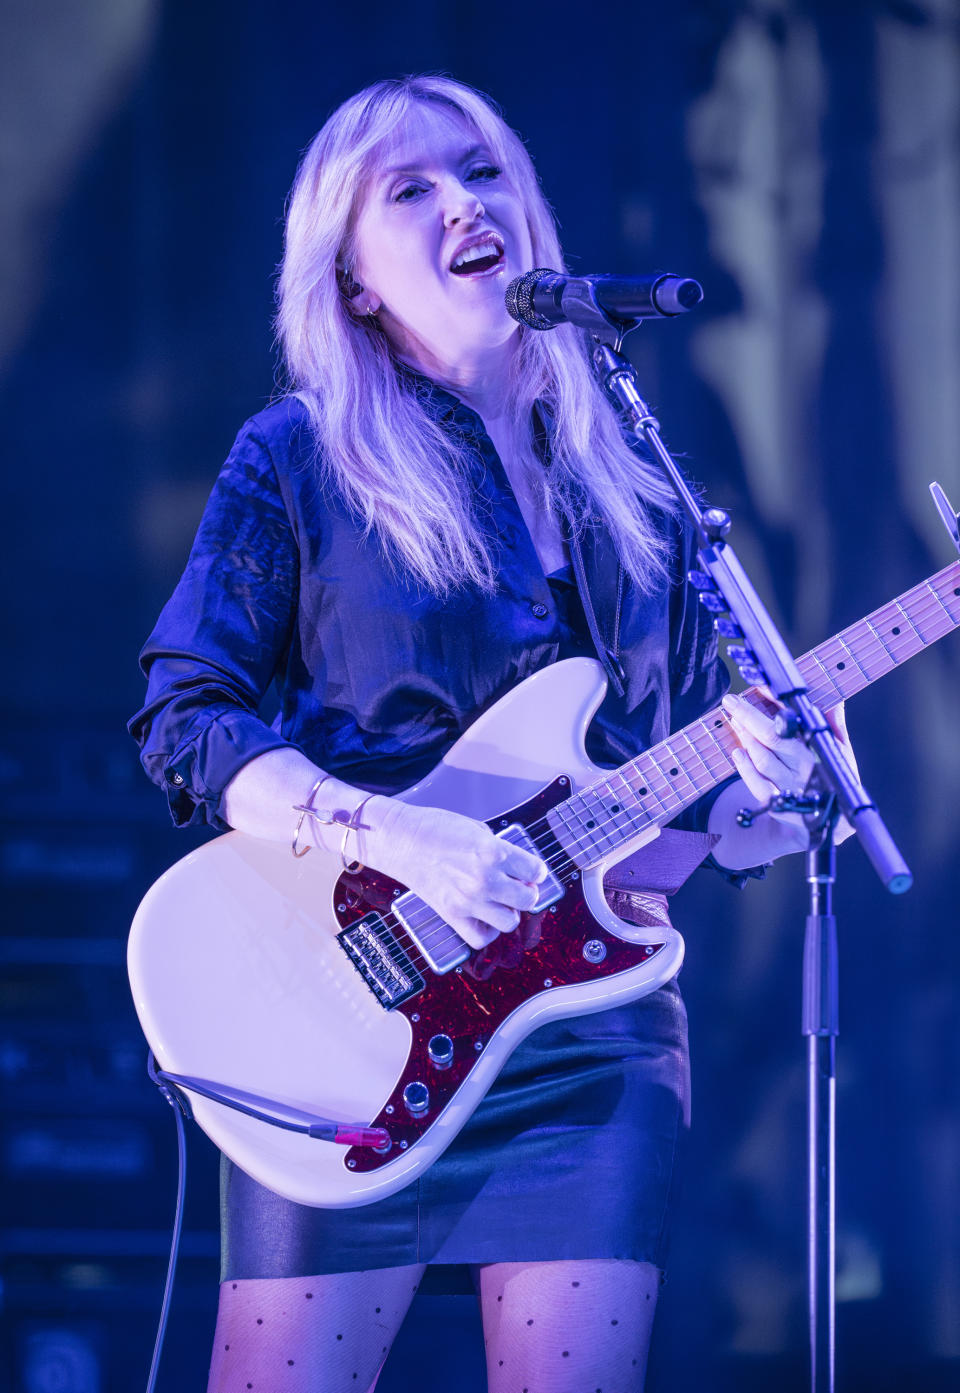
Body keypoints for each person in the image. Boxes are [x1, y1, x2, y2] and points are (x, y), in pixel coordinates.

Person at [129, 74, 855, 1393]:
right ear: (349, 275)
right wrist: (403, 837)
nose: (467, 203)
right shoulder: (297, 460)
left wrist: (770, 789)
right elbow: (188, 718)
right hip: (341, 1009)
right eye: (410, 189)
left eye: (481, 172)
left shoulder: (637, 486)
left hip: (590, 1038)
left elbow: (686, 816)